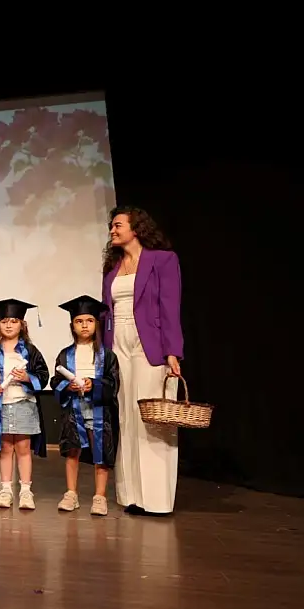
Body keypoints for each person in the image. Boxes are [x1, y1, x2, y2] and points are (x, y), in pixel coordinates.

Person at [102, 207, 183, 515]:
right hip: (118, 344)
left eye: (118, 225)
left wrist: (172, 351)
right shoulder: (113, 267)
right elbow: (107, 312)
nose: (112, 230)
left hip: (149, 343)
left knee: (152, 418)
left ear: (136, 228)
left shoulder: (163, 260)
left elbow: (170, 307)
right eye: (111, 226)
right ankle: (132, 496)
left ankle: (156, 499)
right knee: (126, 417)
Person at [51, 295, 121, 516]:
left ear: (96, 324)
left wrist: (94, 384)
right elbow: (55, 381)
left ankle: (99, 497)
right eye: (79, 321)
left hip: (98, 409)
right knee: (73, 451)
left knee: (100, 453)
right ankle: (71, 493)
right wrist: (67, 386)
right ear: (72, 325)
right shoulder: (65, 355)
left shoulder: (107, 355)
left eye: (89, 321)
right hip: (74, 408)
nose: (84, 325)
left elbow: (113, 383)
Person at [0, 299, 50, 511]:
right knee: (5, 448)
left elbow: (43, 374)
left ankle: (26, 490)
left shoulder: (29, 350)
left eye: (14, 321)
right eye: (4, 321)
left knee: (23, 447)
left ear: (22, 324)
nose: (9, 325)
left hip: (23, 404)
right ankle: (5, 490)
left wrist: (27, 377)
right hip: (2, 405)